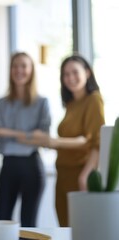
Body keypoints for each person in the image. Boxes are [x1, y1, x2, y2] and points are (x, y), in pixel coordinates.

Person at [30, 54, 105, 226]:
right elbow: (70, 141)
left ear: (87, 72)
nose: (70, 78)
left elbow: (93, 141)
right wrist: (45, 141)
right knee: (65, 228)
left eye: (74, 72)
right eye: (66, 74)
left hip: (79, 174)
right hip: (62, 175)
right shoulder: (71, 104)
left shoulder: (93, 99)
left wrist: (85, 175)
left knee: (81, 229)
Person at [0, 52, 51, 227]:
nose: (19, 70)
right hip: (8, 165)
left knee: (28, 224)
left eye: (24, 66)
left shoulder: (42, 102)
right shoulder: (2, 103)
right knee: (1, 221)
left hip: (31, 166)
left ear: (31, 70)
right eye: (15, 66)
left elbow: (43, 137)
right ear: (10, 70)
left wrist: (9, 133)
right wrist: (28, 135)